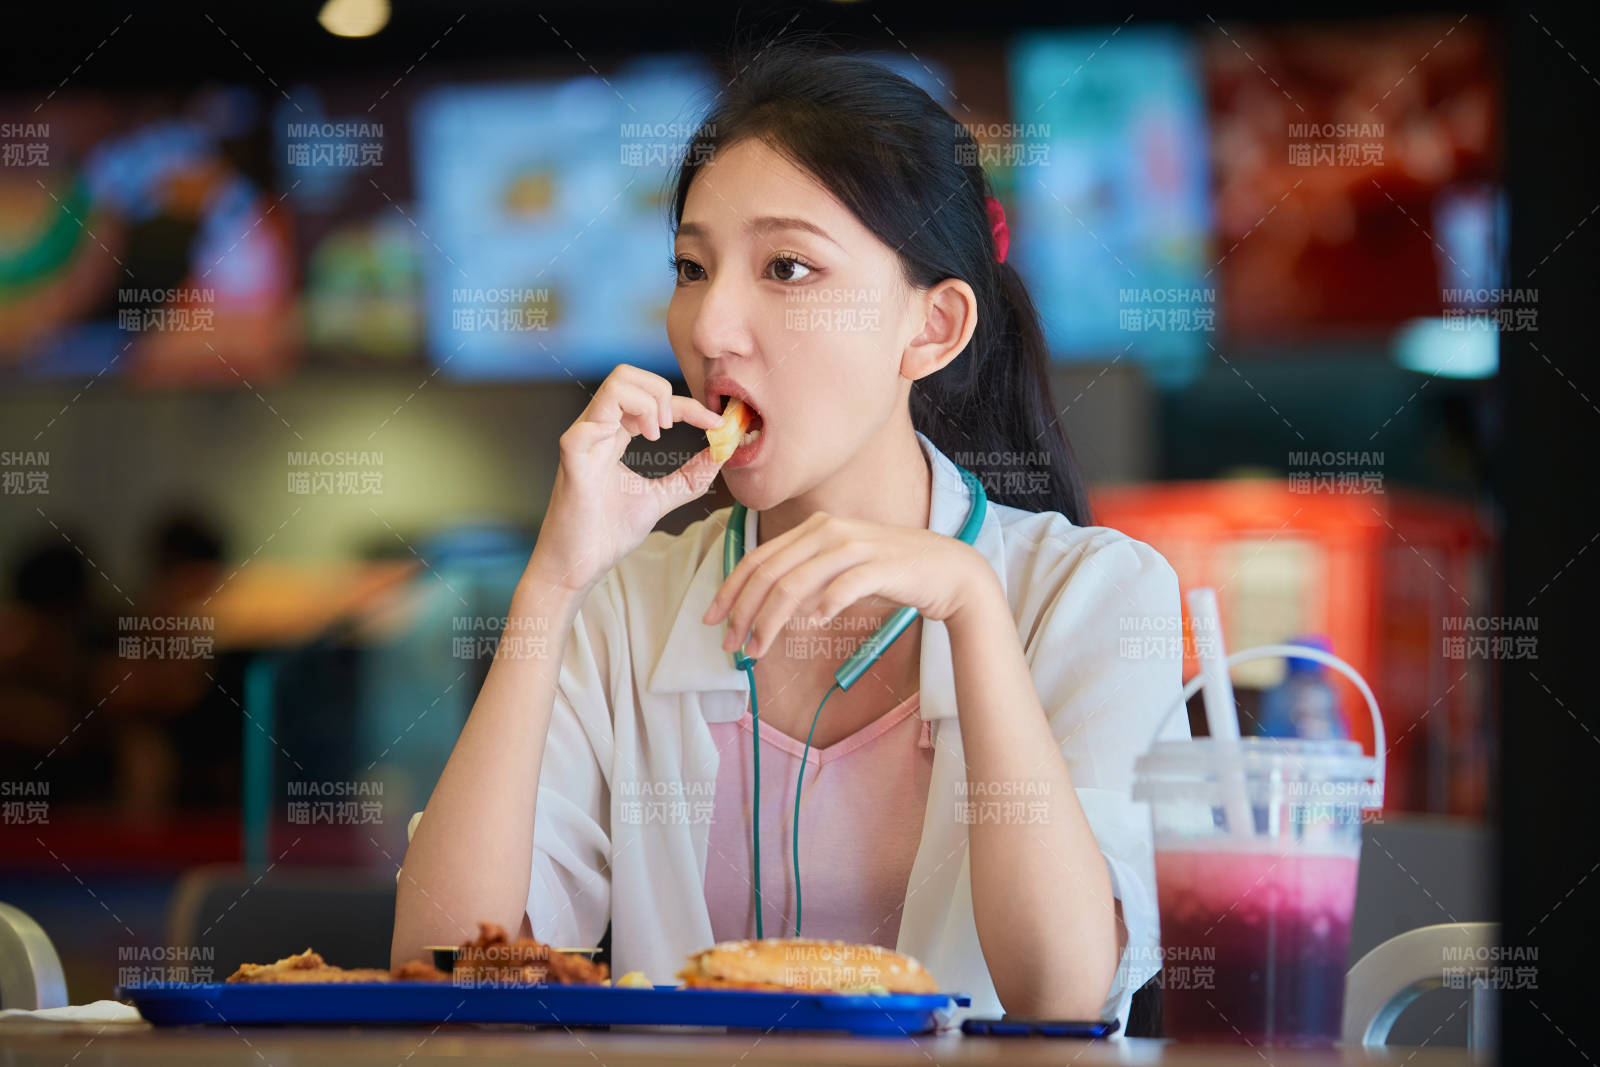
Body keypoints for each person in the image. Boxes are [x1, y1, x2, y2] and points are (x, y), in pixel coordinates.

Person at [393, 42, 1188, 1029]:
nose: (709, 327)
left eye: (788, 267)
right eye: (691, 268)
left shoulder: (1094, 592)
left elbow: (1060, 993)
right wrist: (553, 584)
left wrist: (973, 607)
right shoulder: (626, 603)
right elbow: (445, 968)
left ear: (933, 328)